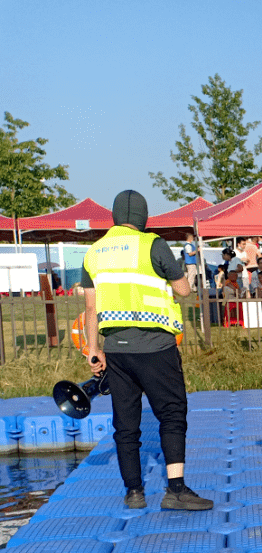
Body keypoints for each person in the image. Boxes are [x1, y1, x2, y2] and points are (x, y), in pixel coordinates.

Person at [81, 190, 212, 512]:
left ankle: (134, 493)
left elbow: (89, 307)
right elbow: (183, 290)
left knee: (125, 423)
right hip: (156, 348)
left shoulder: (94, 252)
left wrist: (94, 350)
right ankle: (176, 490)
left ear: (114, 216)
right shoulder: (153, 245)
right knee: (171, 413)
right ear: (144, 216)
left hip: (116, 350)